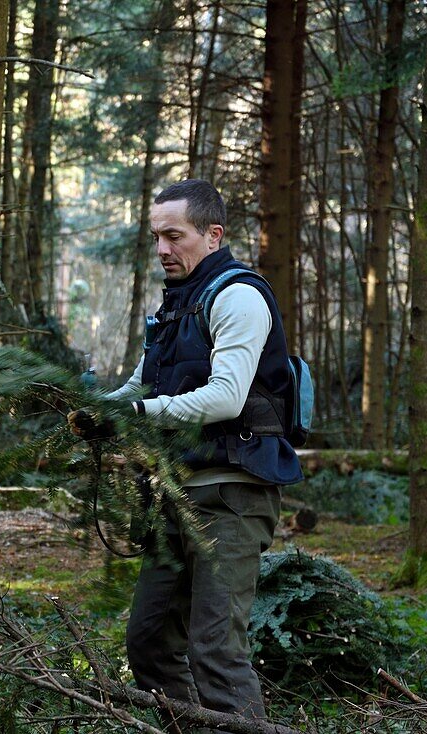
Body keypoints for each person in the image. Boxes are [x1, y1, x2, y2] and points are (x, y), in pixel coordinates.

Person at [78, 179, 303, 721]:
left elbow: (226, 398)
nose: (162, 250)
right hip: (178, 494)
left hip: (234, 494)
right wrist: (93, 409)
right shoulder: (174, 308)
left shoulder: (238, 296)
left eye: (174, 236)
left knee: (216, 652)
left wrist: (133, 416)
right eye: (156, 237)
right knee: (150, 642)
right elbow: (140, 386)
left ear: (212, 234)